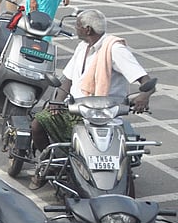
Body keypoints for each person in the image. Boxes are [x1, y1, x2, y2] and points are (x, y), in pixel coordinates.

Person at [30, 9, 156, 180]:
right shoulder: (82, 47)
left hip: (105, 116)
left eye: (78, 26)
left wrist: (144, 96)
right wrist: (57, 101)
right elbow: (68, 79)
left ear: (87, 29)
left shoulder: (115, 50)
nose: (76, 28)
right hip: (76, 110)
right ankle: (51, 165)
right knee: (37, 124)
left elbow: (146, 81)